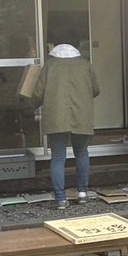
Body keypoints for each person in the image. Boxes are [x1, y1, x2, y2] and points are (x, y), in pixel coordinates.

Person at [33, 41, 100, 209]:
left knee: (57, 157)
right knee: (82, 153)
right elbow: (96, 89)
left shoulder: (50, 66)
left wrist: (31, 103)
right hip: (81, 115)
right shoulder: (85, 65)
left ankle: (61, 199)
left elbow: (38, 93)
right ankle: (83, 193)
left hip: (56, 116)